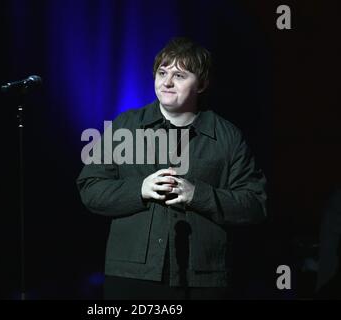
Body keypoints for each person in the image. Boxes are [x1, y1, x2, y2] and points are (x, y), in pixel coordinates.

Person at [76, 37, 267, 300]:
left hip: (203, 280)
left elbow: (256, 204)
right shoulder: (126, 125)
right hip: (131, 277)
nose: (166, 82)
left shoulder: (228, 136)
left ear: (201, 84)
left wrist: (197, 195)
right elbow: (90, 188)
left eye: (179, 75)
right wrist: (140, 189)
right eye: (162, 72)